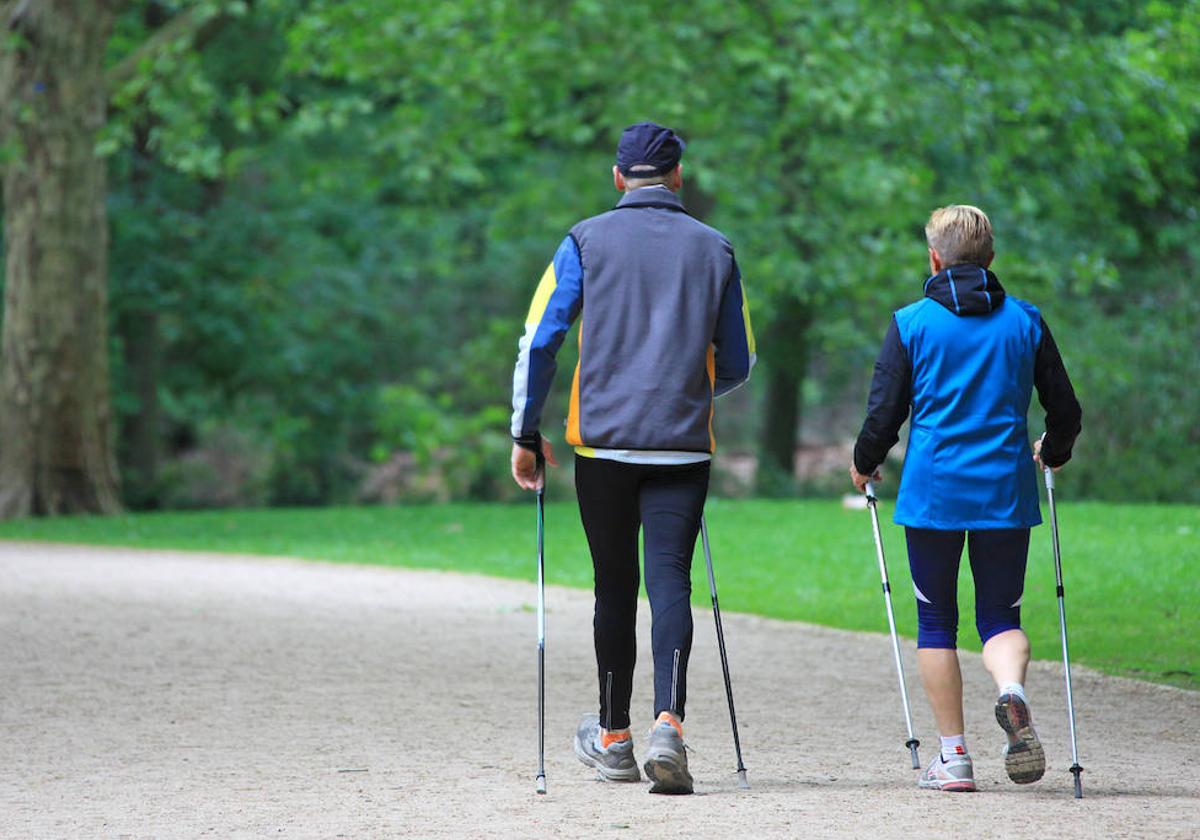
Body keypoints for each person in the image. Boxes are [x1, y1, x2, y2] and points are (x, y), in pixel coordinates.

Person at [508, 122, 755, 795]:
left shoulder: (583, 240)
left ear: (618, 177)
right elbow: (739, 359)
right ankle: (667, 724)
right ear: (678, 176)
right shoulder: (717, 248)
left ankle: (614, 740)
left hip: (603, 446)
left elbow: (540, 341)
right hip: (681, 446)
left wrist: (525, 434)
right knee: (670, 581)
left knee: (613, 585)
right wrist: (689, 387)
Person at [850, 204, 1082, 793]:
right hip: (1004, 489)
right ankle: (1011, 692)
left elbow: (885, 413)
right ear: (992, 258)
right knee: (1001, 616)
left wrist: (864, 461)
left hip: (934, 492)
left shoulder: (911, 323)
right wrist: (1053, 450)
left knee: (935, 621)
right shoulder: (1026, 321)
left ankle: (953, 758)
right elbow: (1066, 410)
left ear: (934, 257)